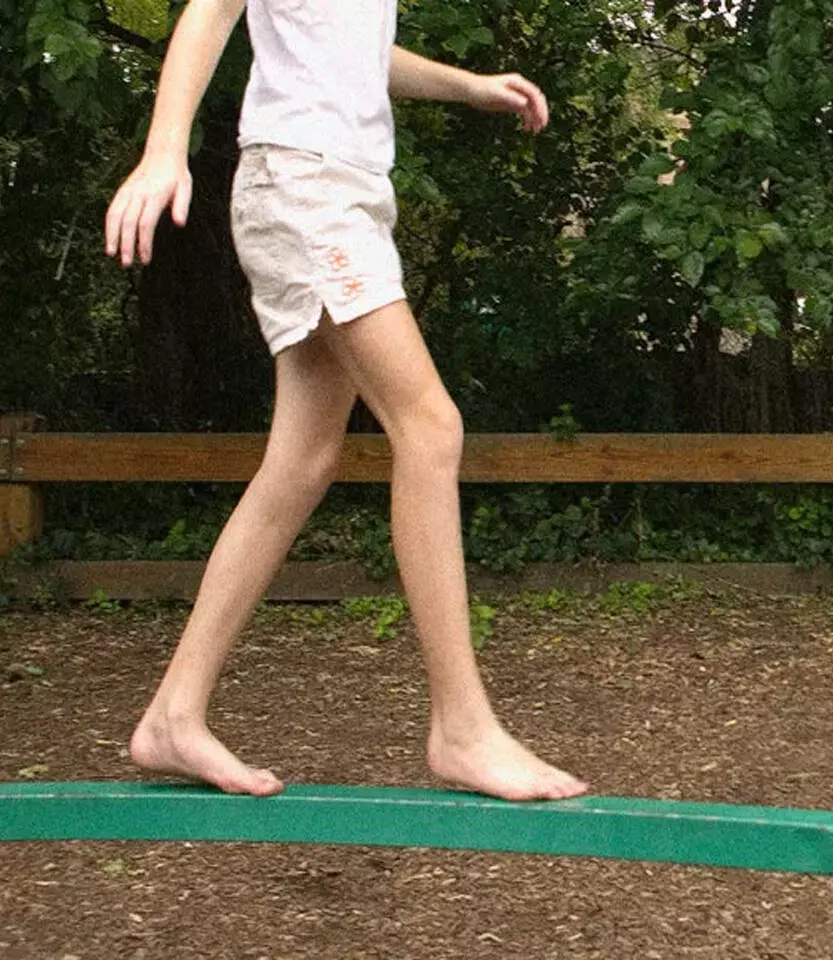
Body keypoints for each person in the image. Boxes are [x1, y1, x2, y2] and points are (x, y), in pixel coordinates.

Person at [102, 0, 587, 802]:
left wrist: (468, 87)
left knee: (302, 460)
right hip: (306, 186)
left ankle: (173, 715)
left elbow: (360, 49)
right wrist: (164, 152)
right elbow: (211, 10)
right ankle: (462, 728)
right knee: (430, 427)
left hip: (342, 191)